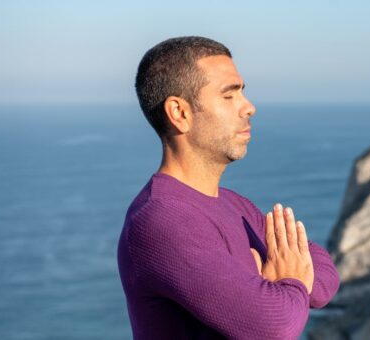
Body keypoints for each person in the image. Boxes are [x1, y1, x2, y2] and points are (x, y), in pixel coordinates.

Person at [117, 36, 340, 340]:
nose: (249, 107)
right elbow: (275, 326)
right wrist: (286, 280)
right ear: (179, 113)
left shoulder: (236, 206)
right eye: (229, 95)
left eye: (242, 93)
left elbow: (325, 282)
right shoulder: (160, 222)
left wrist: (279, 285)